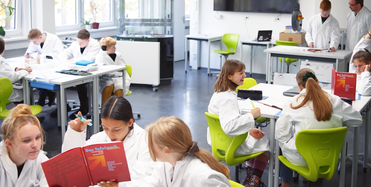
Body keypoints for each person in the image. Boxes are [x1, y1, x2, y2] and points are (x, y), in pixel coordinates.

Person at [275, 68, 363, 187]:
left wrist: (289, 142)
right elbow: (357, 120)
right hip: (328, 159)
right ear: (317, 81)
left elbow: (280, 134)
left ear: (299, 87)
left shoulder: (292, 103)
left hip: (301, 159)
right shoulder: (335, 100)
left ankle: (286, 183)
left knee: (283, 145)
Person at [99, 116, 231, 187]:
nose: (148, 147)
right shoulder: (167, 164)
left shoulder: (204, 178)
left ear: (166, 149)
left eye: (151, 144)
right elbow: (150, 184)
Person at [62, 96, 154, 185]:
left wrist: (119, 185)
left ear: (130, 122)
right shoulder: (99, 138)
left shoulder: (145, 140)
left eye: (116, 129)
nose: (110, 134)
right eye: (105, 128)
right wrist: (76, 133)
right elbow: (72, 162)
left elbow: (146, 177)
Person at [207, 59, 270, 187]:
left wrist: (248, 129)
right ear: (230, 76)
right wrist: (251, 116)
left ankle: (249, 176)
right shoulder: (228, 98)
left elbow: (227, 120)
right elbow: (229, 126)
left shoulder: (220, 92)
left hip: (219, 141)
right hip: (232, 143)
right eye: (241, 73)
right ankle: (254, 180)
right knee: (267, 144)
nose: (245, 76)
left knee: (255, 138)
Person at [0, 104, 48, 187]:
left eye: (37, 137)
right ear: (9, 144)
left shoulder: (40, 158)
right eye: (26, 140)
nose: (35, 145)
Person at [60, 29, 100, 116]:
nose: (79, 44)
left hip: (90, 71)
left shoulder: (95, 44)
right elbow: (66, 52)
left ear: (88, 40)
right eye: (78, 41)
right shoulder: (76, 43)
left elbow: (90, 58)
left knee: (80, 84)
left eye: (81, 42)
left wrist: (74, 60)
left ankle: (84, 108)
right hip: (77, 69)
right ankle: (62, 108)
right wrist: (63, 59)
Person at [24, 29, 64, 108]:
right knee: (36, 78)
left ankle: (44, 100)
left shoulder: (54, 39)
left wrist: (42, 56)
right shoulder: (35, 41)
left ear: (40, 37)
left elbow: (58, 54)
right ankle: (45, 97)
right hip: (42, 67)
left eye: (35, 42)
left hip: (54, 66)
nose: (34, 43)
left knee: (45, 80)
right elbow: (30, 51)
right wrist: (28, 54)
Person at [95, 37, 131, 105]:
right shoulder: (100, 56)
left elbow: (122, 67)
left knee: (119, 90)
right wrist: (103, 52)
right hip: (106, 79)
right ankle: (104, 113)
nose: (115, 48)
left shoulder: (119, 55)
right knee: (107, 88)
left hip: (119, 78)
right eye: (113, 46)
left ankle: (118, 113)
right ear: (106, 48)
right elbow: (100, 67)